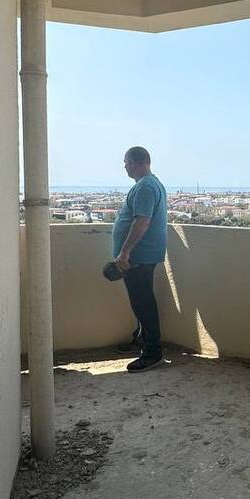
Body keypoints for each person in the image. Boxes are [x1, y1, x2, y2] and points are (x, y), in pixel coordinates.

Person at [113, 146, 168, 371]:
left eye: (126, 162)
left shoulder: (145, 186)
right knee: (141, 300)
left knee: (143, 302)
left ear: (136, 162)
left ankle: (152, 353)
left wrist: (125, 252)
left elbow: (142, 221)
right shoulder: (151, 183)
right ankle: (141, 339)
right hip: (143, 254)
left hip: (139, 256)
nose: (125, 167)